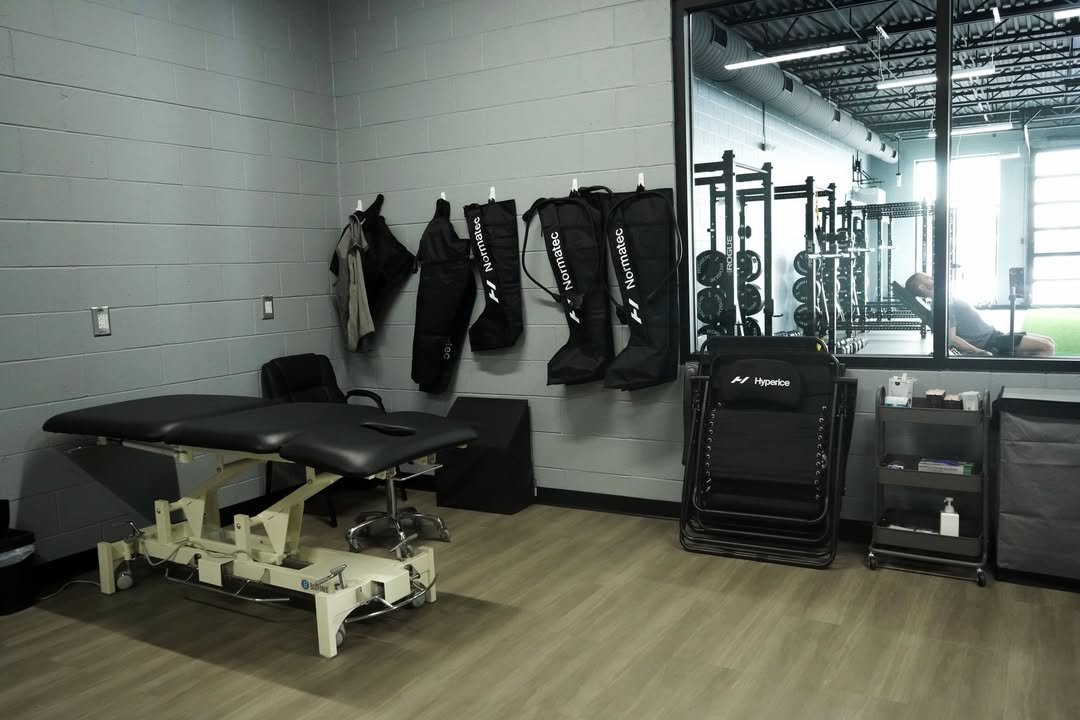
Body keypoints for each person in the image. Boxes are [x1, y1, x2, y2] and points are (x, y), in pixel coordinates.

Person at [905, 273, 1055, 356]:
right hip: (990, 342)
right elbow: (951, 338)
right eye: (928, 278)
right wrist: (981, 352)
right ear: (921, 286)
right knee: (1047, 347)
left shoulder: (944, 298)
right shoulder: (942, 304)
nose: (933, 276)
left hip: (994, 334)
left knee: (1048, 341)